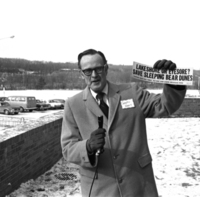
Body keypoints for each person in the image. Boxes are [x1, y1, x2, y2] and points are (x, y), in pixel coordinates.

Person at [61, 49, 186, 197]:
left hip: (138, 184)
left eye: (98, 69)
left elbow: (164, 106)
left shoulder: (131, 92)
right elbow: (68, 148)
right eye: (88, 71)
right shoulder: (73, 104)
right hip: (100, 189)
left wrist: (173, 82)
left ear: (106, 68)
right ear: (81, 74)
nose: (94, 75)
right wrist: (87, 146)